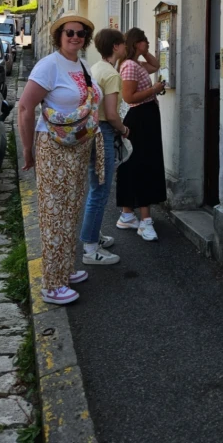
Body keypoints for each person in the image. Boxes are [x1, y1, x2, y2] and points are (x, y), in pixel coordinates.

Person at [18, 10, 102, 305]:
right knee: (54, 215)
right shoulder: (48, 66)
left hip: (77, 150)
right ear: (59, 36)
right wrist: (27, 150)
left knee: (71, 211)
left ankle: (65, 269)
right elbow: (25, 108)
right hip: (53, 148)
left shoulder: (81, 65)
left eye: (81, 33)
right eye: (70, 33)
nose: (76, 37)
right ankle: (51, 285)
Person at [80, 28, 129, 265]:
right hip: (104, 132)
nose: (125, 47)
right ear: (116, 47)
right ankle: (90, 249)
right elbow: (111, 114)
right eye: (122, 44)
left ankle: (93, 236)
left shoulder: (95, 68)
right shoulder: (111, 74)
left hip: (91, 132)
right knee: (100, 190)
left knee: (95, 187)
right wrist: (124, 129)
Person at [116, 27, 166, 240]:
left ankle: (127, 214)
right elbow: (129, 97)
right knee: (144, 165)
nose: (147, 43)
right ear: (136, 42)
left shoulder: (136, 63)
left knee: (135, 164)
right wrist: (154, 90)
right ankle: (145, 221)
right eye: (144, 41)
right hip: (140, 119)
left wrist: (144, 52)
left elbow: (156, 65)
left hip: (146, 117)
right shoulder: (129, 66)